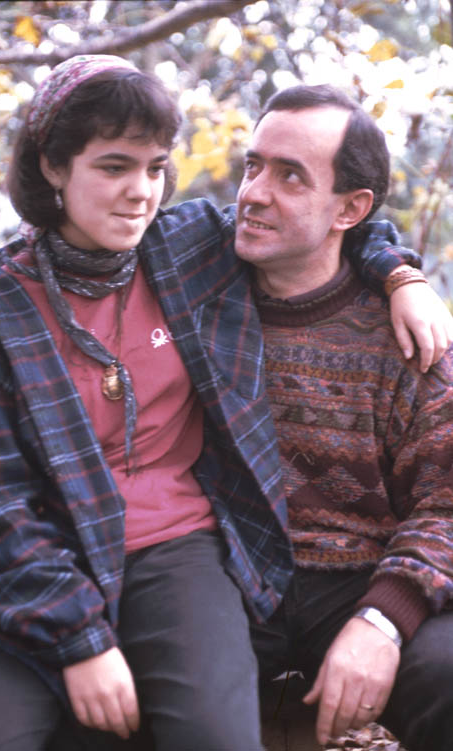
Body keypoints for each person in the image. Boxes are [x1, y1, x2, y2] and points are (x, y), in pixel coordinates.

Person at [0, 56, 451, 751]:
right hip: (135, 566)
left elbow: (330, 228)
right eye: (253, 166)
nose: (253, 194)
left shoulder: (198, 256)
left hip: (266, 569)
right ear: (53, 167)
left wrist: (401, 276)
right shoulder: (22, 301)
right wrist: (80, 640)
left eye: (155, 168)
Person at [233, 84, 453, 751]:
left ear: (350, 208)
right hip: (225, 581)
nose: (253, 193)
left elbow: (447, 500)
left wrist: (385, 618)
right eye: (252, 165)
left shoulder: (407, 335)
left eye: (290, 176)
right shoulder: (199, 296)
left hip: (364, 578)